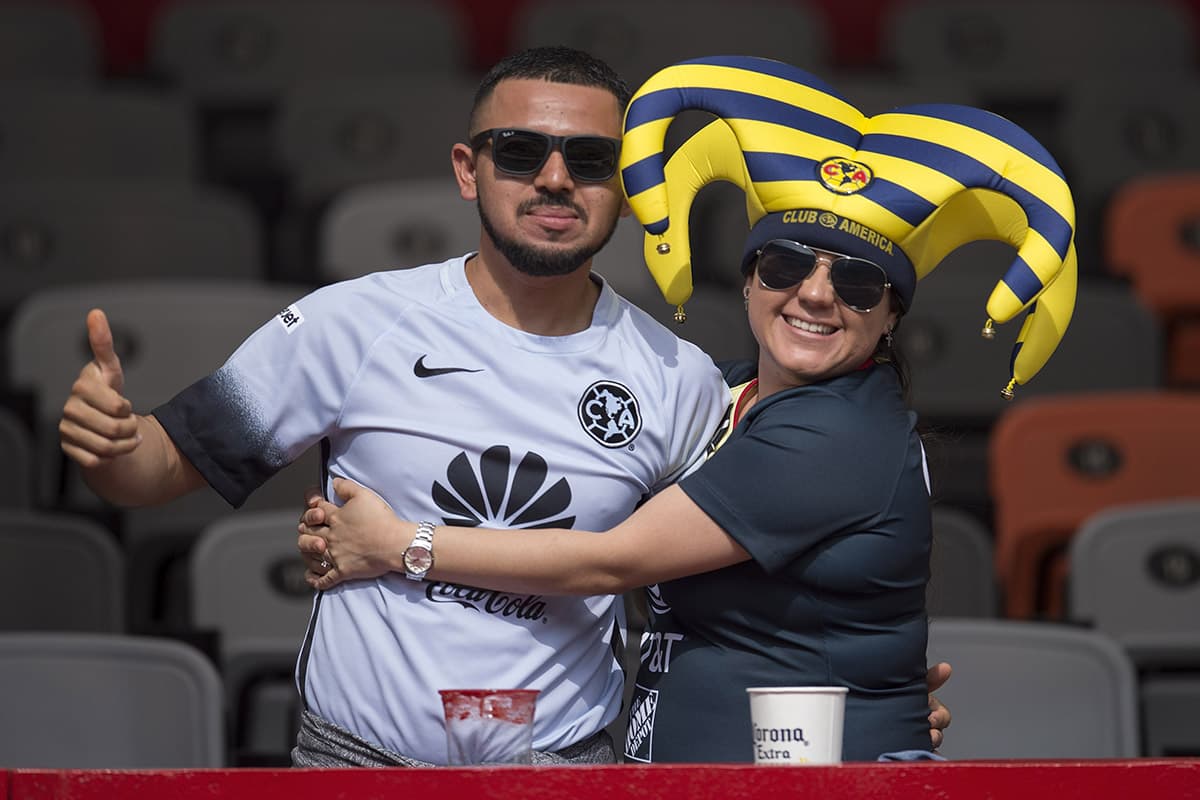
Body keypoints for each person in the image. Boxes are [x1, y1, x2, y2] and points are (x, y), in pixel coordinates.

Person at [59, 47, 948, 767]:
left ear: (627, 184)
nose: (556, 178)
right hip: (358, 761)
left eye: (590, 160)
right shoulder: (354, 321)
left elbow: (736, 564)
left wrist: (876, 689)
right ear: (467, 170)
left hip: (568, 767)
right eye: (520, 151)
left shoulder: (678, 377)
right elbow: (162, 466)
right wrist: (111, 446)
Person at [296, 56, 1078, 762]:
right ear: (745, 282)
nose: (813, 293)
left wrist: (400, 544)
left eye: (859, 284)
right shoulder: (719, 394)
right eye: (784, 264)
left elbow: (613, 560)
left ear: (891, 318)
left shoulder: (836, 434)